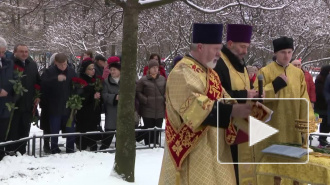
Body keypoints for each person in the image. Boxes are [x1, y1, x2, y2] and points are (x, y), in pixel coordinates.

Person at [159, 23, 252, 185]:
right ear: (200, 47)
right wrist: (234, 111)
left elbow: (226, 99)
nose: (219, 54)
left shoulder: (210, 73)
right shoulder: (182, 72)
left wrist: (249, 113)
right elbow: (196, 109)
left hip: (215, 150)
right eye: (216, 49)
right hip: (193, 155)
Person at [253, 36, 314, 163]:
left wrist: (306, 128)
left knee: (292, 166)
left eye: (289, 52)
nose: (286, 56)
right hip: (272, 127)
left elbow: (305, 102)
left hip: (293, 128)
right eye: (282, 52)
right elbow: (255, 100)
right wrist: (274, 86)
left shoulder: (298, 74)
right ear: (275, 53)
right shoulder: (265, 72)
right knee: (273, 166)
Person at [213, 24, 256, 184]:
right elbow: (216, 95)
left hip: (243, 127)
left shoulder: (241, 62)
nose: (245, 51)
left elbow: (246, 87)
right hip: (226, 130)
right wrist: (245, 94)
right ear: (230, 44)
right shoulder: (219, 63)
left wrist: (255, 94)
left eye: (247, 47)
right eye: (242, 46)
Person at [6, 44, 41, 155]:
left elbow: (37, 82)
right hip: (13, 104)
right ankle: (10, 151)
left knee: (25, 128)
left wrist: (38, 96)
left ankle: (22, 151)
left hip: (27, 104)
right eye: (21, 51)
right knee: (13, 130)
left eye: (26, 51)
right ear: (15, 52)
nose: (24, 54)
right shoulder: (8, 64)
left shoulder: (32, 65)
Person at [41, 53, 77, 154]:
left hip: (68, 106)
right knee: (54, 129)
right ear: (55, 62)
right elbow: (43, 84)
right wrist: (55, 79)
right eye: (60, 64)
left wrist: (77, 93)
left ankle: (70, 148)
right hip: (54, 106)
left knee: (70, 128)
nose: (63, 66)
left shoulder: (71, 71)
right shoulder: (49, 72)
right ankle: (54, 148)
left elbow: (77, 83)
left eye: (65, 64)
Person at [136, 59, 166, 145]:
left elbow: (166, 91)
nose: (155, 69)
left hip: (160, 110)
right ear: (149, 69)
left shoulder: (163, 79)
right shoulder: (143, 80)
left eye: (156, 67)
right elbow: (138, 92)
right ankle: (148, 146)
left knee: (157, 130)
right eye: (153, 67)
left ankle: (156, 145)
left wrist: (164, 98)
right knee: (148, 130)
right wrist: (145, 100)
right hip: (147, 110)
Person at [75, 58, 101, 151]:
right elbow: (80, 96)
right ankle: (82, 143)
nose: (93, 71)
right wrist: (91, 96)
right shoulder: (81, 80)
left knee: (93, 126)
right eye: (90, 69)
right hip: (84, 111)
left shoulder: (96, 80)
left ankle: (92, 142)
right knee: (84, 127)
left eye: (93, 69)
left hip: (94, 110)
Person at [100, 62, 121, 150]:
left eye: (114, 70)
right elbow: (104, 95)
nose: (112, 72)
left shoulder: (125, 81)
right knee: (110, 128)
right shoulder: (106, 82)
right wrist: (114, 97)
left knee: (121, 130)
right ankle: (104, 147)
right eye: (111, 70)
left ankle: (119, 147)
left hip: (122, 109)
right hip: (111, 108)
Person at [0, 37, 14, 160]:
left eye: (3, 52)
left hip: (5, 103)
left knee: (3, 129)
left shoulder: (8, 63)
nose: (2, 55)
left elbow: (12, 79)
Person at [316, 65, 330, 147]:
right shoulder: (320, 79)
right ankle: (322, 140)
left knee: (326, 125)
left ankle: (323, 139)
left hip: (326, 106)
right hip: (322, 107)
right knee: (323, 124)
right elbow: (320, 92)